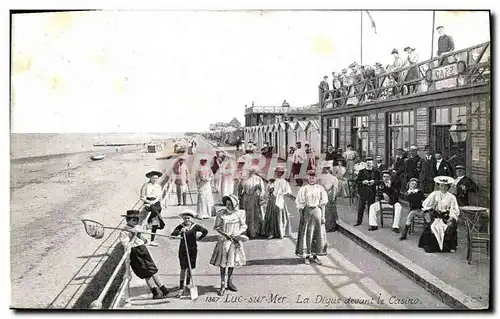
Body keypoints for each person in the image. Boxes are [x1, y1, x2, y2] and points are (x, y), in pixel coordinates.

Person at [119, 210, 170, 299]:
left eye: (137, 219)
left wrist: (141, 235)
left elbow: (145, 239)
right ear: (127, 220)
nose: (135, 221)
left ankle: (164, 290)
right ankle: (155, 293)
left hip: (142, 249)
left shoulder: (138, 227)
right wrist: (131, 236)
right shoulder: (124, 231)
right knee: (146, 273)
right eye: (133, 220)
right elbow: (125, 245)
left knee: (153, 270)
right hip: (135, 252)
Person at [210, 195, 248, 296]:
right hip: (224, 240)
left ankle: (229, 282)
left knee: (232, 262)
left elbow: (244, 226)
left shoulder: (240, 213)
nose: (228, 206)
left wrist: (237, 234)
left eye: (230, 204)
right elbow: (217, 227)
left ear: (235, 204)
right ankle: (222, 284)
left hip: (234, 240)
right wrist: (225, 234)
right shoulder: (221, 213)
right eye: (227, 204)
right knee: (223, 264)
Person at [171, 210, 208, 297]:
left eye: (188, 218)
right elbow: (173, 235)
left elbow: (205, 231)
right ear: (183, 219)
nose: (187, 220)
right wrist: (180, 232)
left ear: (191, 218)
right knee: (183, 268)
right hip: (183, 250)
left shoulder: (195, 226)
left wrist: (199, 238)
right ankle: (180, 287)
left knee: (190, 268)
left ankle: (188, 283)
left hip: (192, 249)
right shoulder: (181, 226)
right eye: (185, 218)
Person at [418, 176, 460, 253]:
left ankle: (447, 247)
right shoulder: (435, 194)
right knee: (433, 226)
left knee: (447, 226)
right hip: (436, 215)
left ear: (448, 187)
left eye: (445, 186)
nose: (443, 187)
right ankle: (433, 247)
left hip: (446, 216)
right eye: (442, 185)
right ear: (439, 186)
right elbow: (425, 204)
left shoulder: (451, 197)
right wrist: (432, 206)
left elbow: (454, 209)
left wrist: (452, 216)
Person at [295, 170, 328, 265]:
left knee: (317, 234)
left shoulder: (320, 188)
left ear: (316, 178)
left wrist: (323, 216)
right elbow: (300, 204)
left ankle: (315, 255)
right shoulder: (304, 188)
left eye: (313, 177)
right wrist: (301, 216)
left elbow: (323, 204)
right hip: (307, 212)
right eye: (310, 176)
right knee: (307, 233)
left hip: (317, 212)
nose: (311, 178)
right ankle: (307, 256)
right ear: (307, 177)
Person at [263, 165, 292, 239]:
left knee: (280, 215)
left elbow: (288, 192)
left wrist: (282, 194)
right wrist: (270, 190)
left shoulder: (284, 182)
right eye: (278, 172)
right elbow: (268, 191)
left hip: (280, 200)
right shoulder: (273, 181)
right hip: (272, 200)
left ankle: (280, 232)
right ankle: (272, 232)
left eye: (281, 172)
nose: (279, 174)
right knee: (272, 216)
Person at [141, 170, 165, 247]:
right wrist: (148, 201)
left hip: (155, 202)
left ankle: (152, 240)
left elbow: (159, 196)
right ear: (150, 178)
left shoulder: (158, 186)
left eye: (156, 178)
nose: (155, 179)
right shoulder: (145, 185)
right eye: (153, 178)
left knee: (158, 209)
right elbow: (142, 197)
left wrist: (154, 201)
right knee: (155, 216)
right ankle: (156, 222)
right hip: (148, 202)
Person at [241, 166, 266, 239]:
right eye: (250, 171)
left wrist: (261, 196)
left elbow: (262, 189)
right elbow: (240, 189)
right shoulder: (244, 179)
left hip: (254, 198)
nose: (251, 172)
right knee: (247, 214)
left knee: (255, 214)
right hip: (246, 199)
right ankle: (247, 231)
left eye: (252, 171)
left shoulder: (258, 179)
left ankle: (254, 231)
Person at [354, 157, 381, 226]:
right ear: (366, 164)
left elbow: (379, 181)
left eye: (370, 163)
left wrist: (374, 181)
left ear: (372, 164)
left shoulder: (376, 171)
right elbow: (357, 181)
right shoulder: (361, 171)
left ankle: (371, 223)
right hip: (363, 191)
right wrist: (363, 182)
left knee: (371, 208)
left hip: (372, 191)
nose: (369, 164)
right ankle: (358, 221)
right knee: (361, 207)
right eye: (368, 163)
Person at [318, 161, 339, 232]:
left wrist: (333, 197)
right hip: (325, 196)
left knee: (328, 211)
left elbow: (335, 189)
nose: (326, 169)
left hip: (327, 196)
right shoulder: (321, 177)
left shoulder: (332, 178)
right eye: (325, 168)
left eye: (327, 168)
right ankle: (327, 226)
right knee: (326, 211)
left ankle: (329, 226)